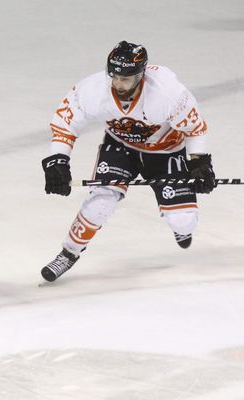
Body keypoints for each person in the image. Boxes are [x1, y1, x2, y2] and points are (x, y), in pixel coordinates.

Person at [40, 41, 216, 282]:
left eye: (126, 79)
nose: (119, 84)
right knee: (100, 202)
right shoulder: (93, 90)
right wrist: (57, 160)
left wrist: (199, 163)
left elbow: (196, 129)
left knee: (184, 222)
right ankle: (68, 253)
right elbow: (64, 125)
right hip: (120, 147)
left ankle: (181, 227)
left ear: (141, 75)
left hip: (166, 152)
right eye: (114, 77)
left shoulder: (167, 93)